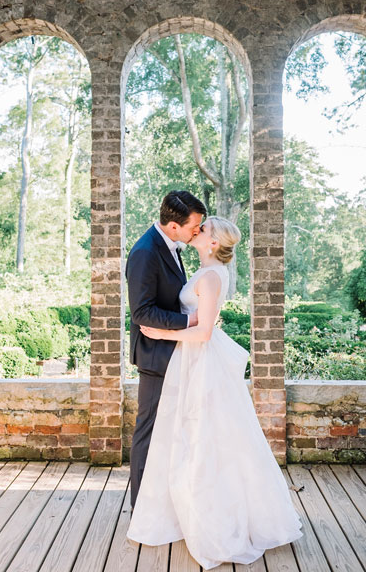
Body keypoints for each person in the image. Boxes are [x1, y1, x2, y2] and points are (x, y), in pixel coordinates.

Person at [126, 215, 303, 570]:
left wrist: (163, 335)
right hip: (191, 360)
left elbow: (204, 332)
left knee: (203, 437)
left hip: (200, 358)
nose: (197, 230)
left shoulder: (209, 277)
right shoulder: (208, 271)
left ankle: (212, 518)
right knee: (195, 435)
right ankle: (182, 509)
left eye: (203, 229)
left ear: (212, 242)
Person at [125, 190, 207, 515]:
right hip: (155, 354)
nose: (197, 232)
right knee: (148, 428)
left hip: (173, 351)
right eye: (194, 226)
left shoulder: (171, 247)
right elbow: (142, 312)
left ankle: (163, 500)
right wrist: (190, 320)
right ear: (174, 226)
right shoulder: (145, 252)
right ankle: (140, 508)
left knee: (171, 430)